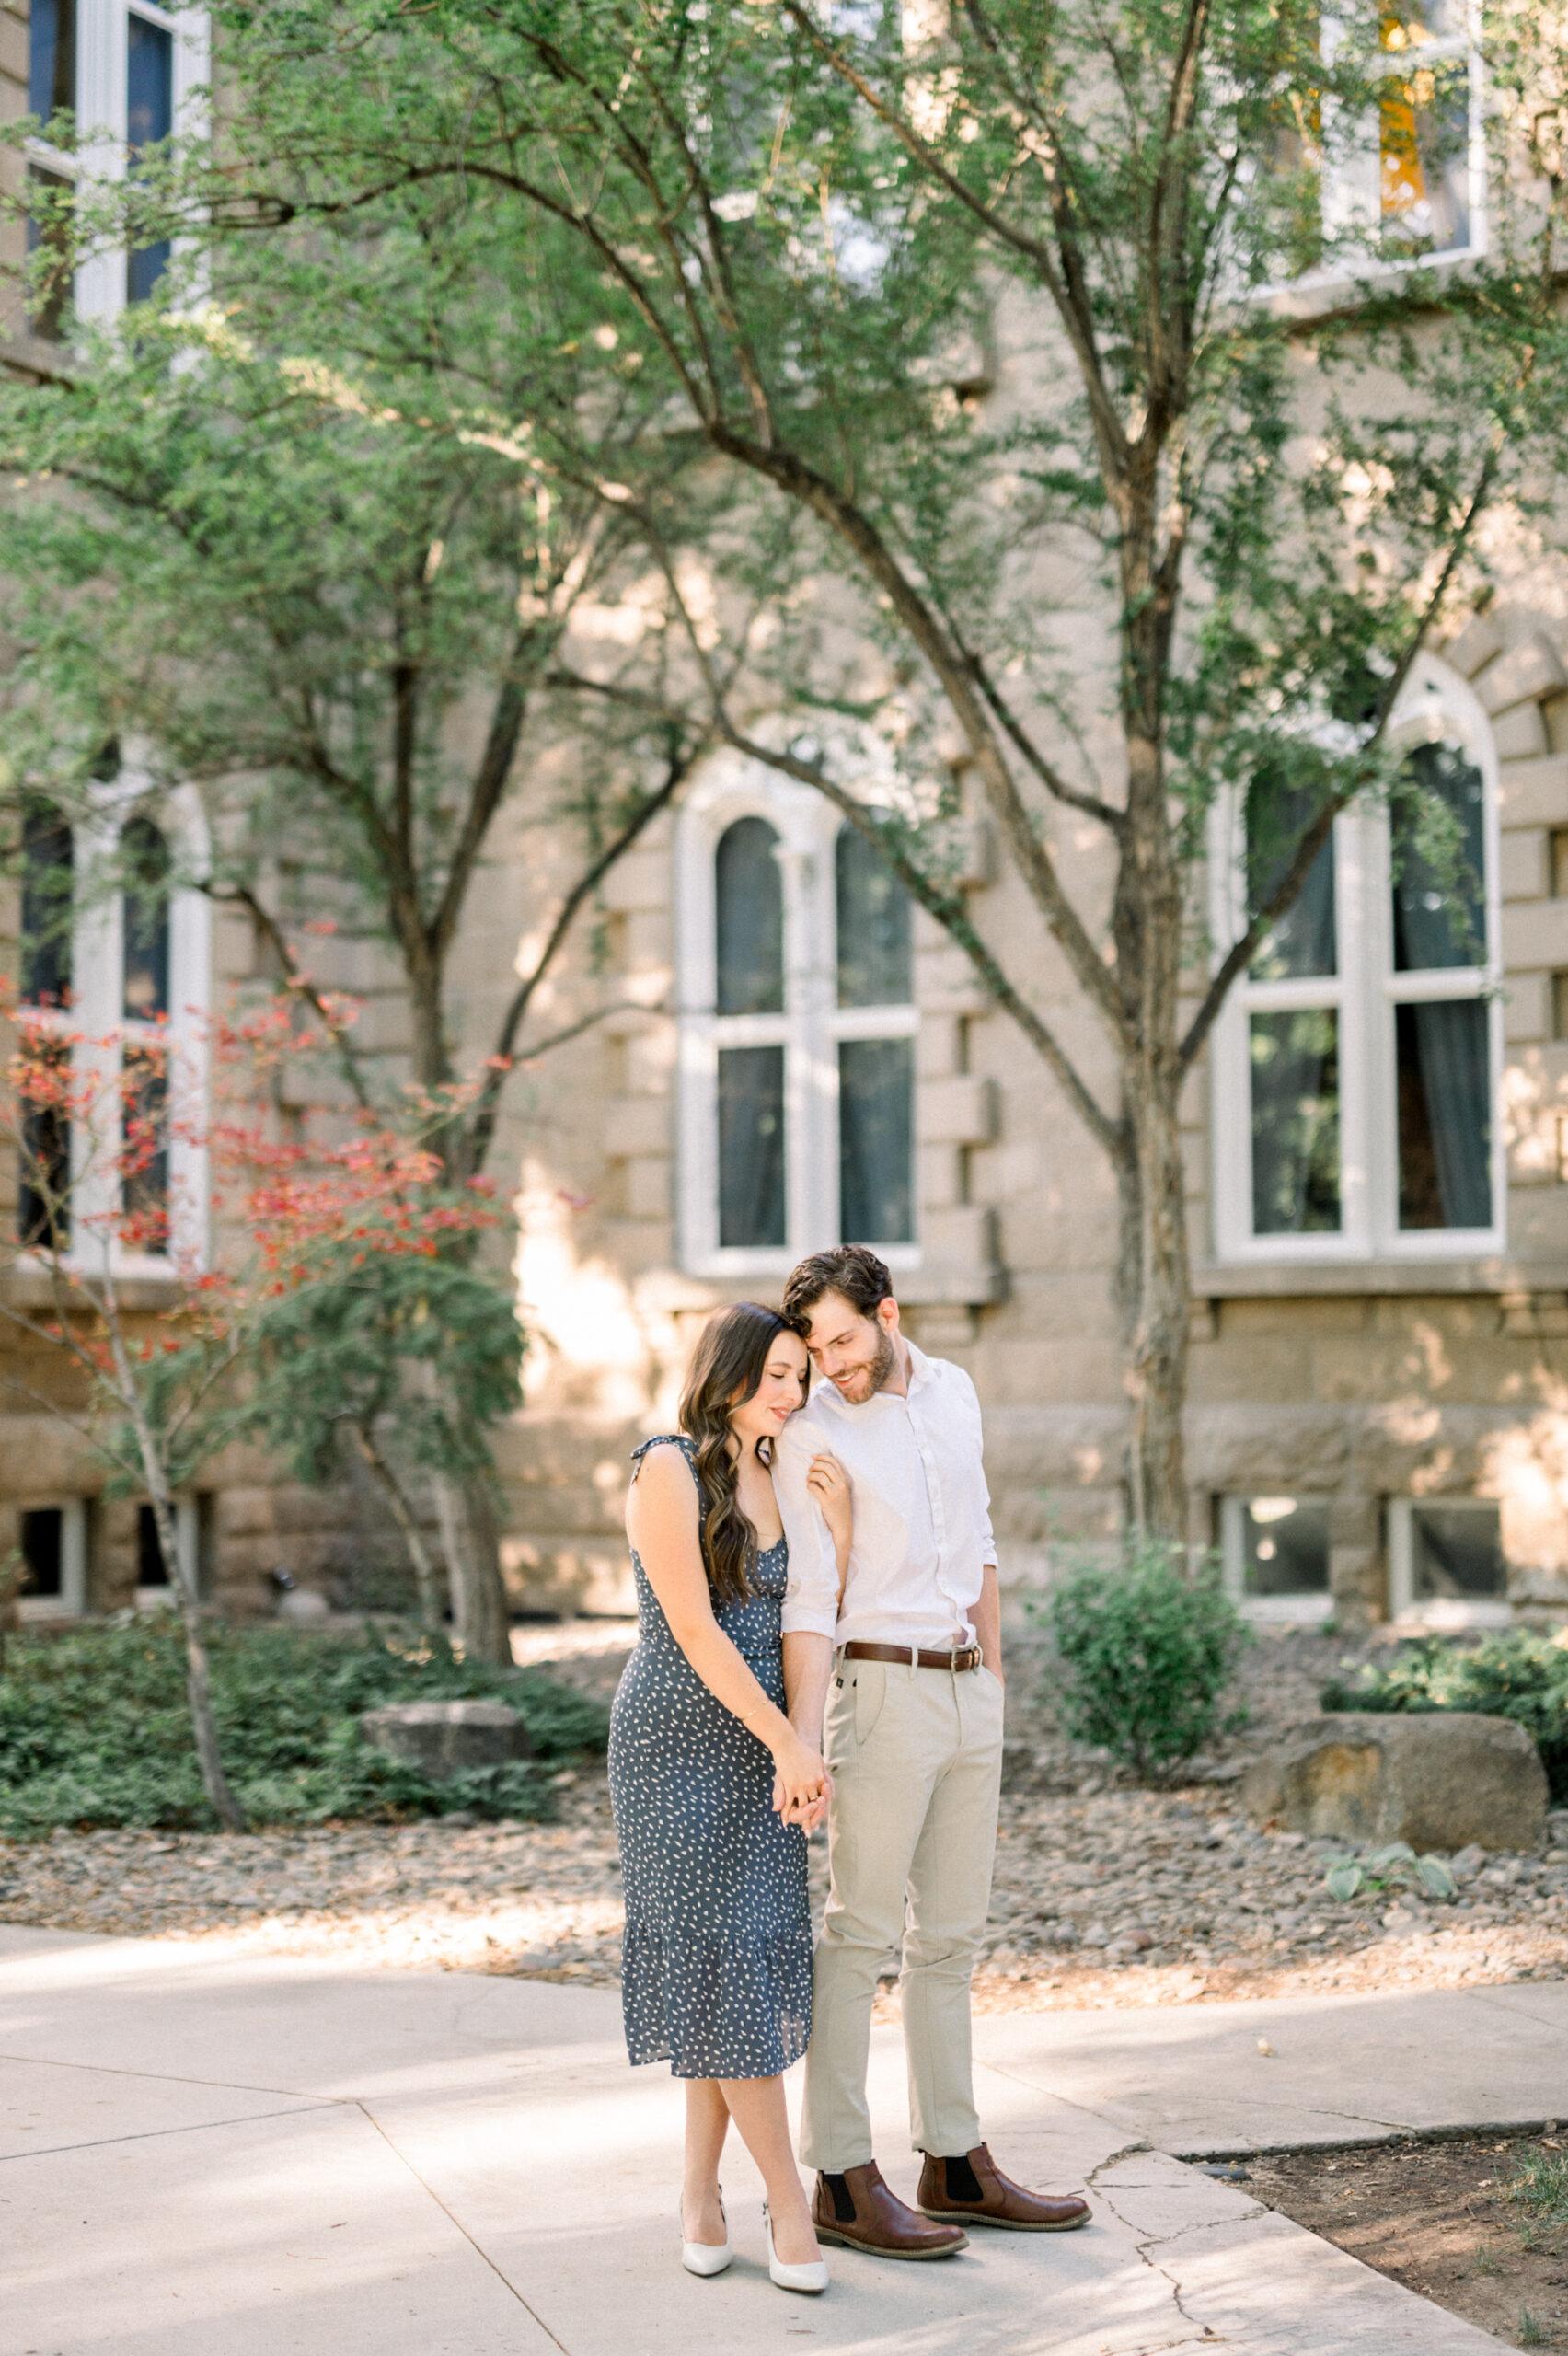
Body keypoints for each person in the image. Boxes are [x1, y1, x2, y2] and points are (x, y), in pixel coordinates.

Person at [773, 1245, 1091, 2258]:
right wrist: (804, 1736)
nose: (832, 1364)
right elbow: (812, 1597)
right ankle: (840, 2174)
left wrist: (992, 1671)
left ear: (889, 1312)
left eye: (845, 1339)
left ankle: (955, 2162)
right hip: (878, 1688)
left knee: (950, 1935)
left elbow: (982, 1540)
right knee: (860, 1932)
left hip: (965, 1691)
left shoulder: (954, 1390)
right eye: (816, 1348)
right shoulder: (812, 1431)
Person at [608, 1301, 854, 2295]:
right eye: (780, 1373)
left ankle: (699, 2193)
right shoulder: (666, 1464)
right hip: (677, 1739)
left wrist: (808, 1747)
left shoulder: (782, 1470)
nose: (794, 1393)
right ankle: (787, 2207)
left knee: (735, 1960)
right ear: (731, 1370)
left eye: (803, 1377)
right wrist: (786, 1742)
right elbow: (702, 1635)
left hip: (772, 1745)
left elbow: (806, 1616)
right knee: (724, 1960)